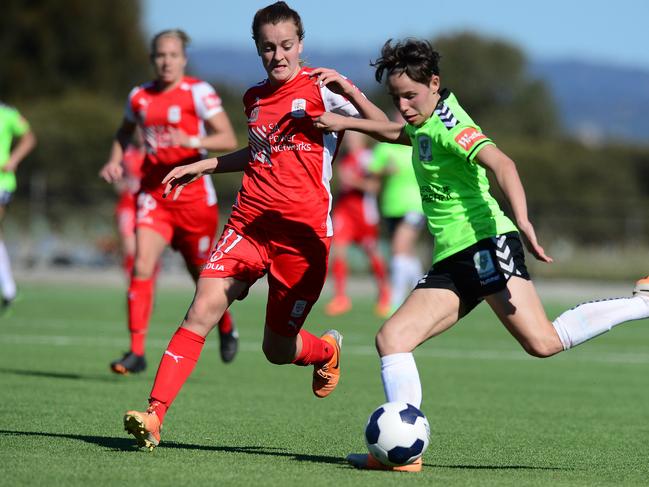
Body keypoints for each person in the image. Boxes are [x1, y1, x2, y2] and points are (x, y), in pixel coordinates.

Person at [313, 38, 649, 472]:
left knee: (543, 343)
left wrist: (524, 221)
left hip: (486, 246)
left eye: (411, 96)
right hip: (453, 258)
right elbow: (398, 132)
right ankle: (406, 454)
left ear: (434, 83)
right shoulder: (423, 119)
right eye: (397, 98)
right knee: (393, 339)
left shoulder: (451, 123)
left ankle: (643, 302)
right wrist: (351, 105)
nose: (404, 106)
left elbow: (503, 164)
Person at [121, 1, 388, 451]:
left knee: (276, 350)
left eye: (286, 45)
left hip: (302, 242)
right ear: (257, 49)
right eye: (268, 48)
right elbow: (260, 153)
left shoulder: (326, 90)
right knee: (201, 308)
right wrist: (205, 165)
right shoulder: (254, 98)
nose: (278, 55)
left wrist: (349, 91)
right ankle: (154, 414)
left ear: (300, 44)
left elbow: (387, 128)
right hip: (249, 224)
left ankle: (326, 351)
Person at [99, 29, 239, 374]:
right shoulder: (139, 97)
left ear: (183, 58)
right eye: (160, 55)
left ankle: (225, 325)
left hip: (193, 200)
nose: (166, 61)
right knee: (141, 264)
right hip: (154, 196)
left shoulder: (198, 92)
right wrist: (115, 159)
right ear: (152, 58)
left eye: (173, 55)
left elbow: (228, 137)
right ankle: (136, 351)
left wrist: (191, 137)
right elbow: (123, 132)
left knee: (201, 274)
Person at [325, 130, 390, 317]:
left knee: (372, 253)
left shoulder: (368, 158)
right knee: (338, 251)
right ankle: (340, 297)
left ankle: (385, 294)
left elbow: (374, 187)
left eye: (353, 137)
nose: (350, 140)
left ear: (361, 139)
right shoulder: (344, 159)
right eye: (348, 138)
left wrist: (355, 181)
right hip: (345, 211)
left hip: (364, 213)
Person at [367, 111, 425, 314]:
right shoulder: (384, 147)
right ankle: (423, 293)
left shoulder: (418, 143)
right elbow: (371, 174)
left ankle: (396, 301)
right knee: (405, 252)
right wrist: (384, 171)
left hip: (416, 205)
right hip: (391, 207)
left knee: (399, 249)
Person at [0, 102, 36, 313]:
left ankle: (9, 288)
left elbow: (29, 138)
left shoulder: (7, 113)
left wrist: (13, 159)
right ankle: (9, 289)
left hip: (2, 181)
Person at [114, 129, 145, 278]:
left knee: (146, 252)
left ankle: (146, 288)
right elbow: (116, 177)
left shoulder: (158, 154)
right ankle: (132, 285)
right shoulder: (127, 153)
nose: (141, 135)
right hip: (128, 206)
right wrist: (120, 182)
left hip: (149, 207)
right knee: (130, 249)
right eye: (139, 131)